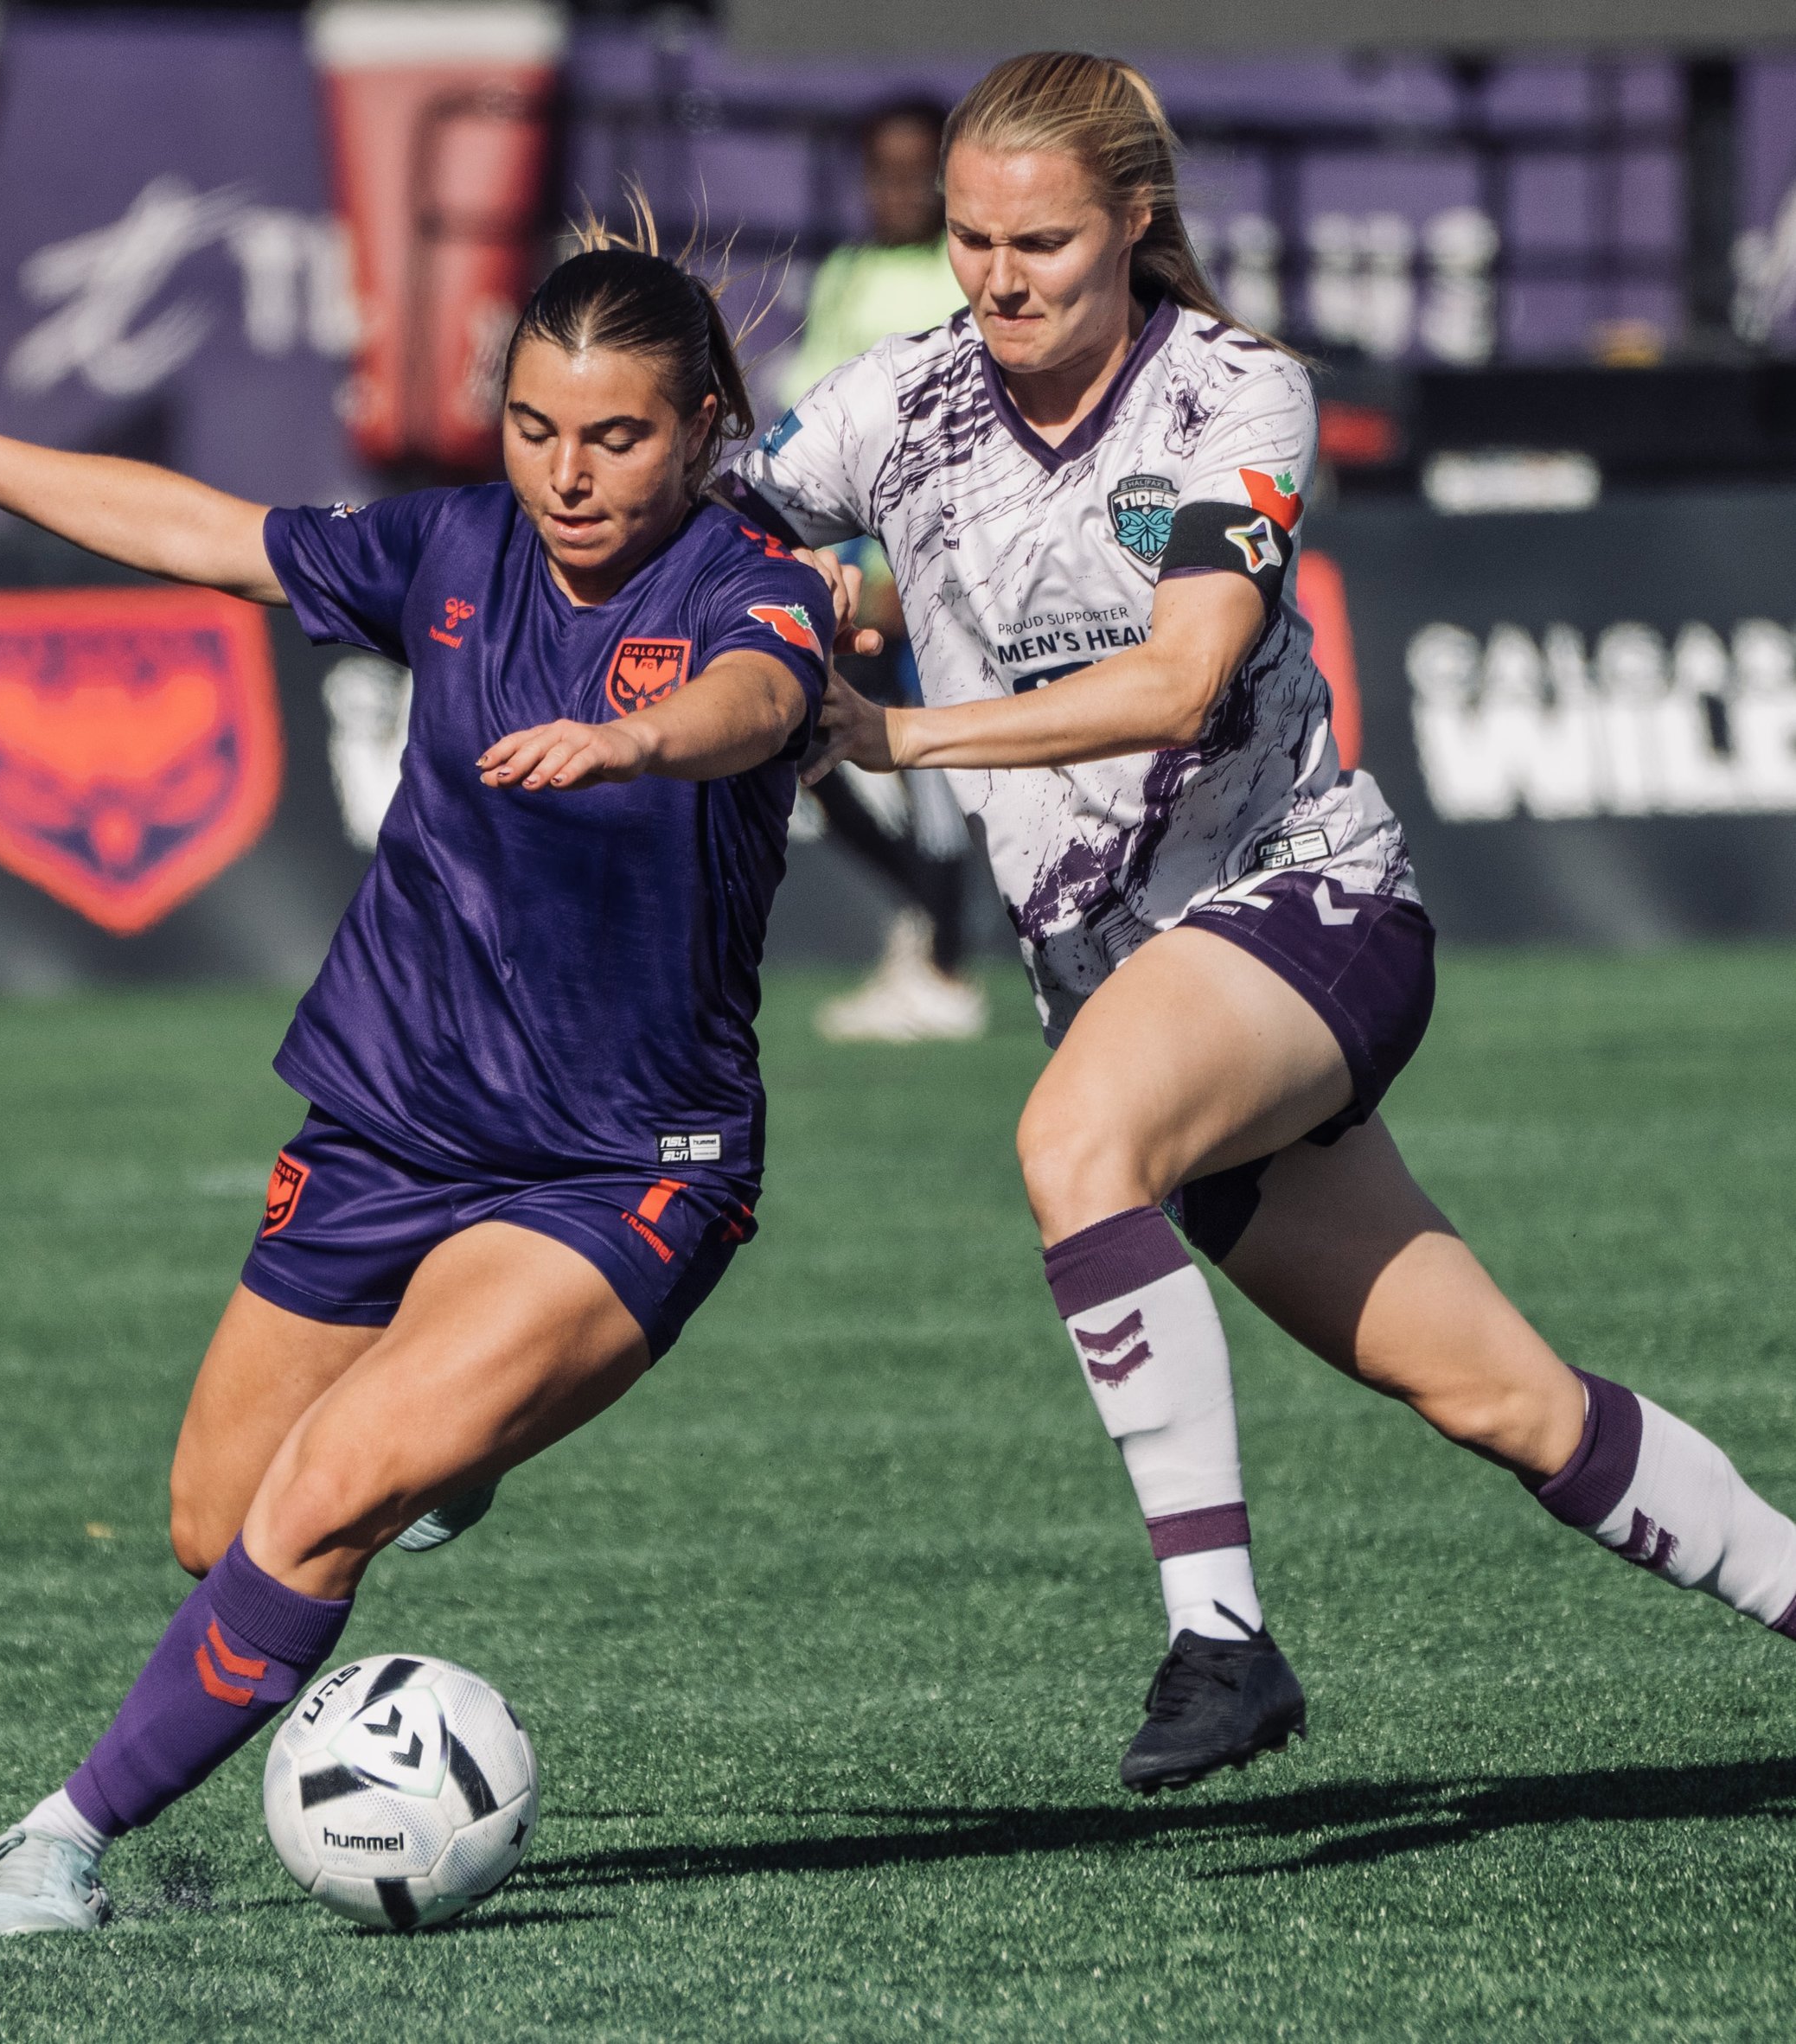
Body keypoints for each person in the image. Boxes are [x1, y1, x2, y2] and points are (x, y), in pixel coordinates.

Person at [727, 50, 1796, 1794]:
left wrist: (896, 728)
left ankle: (1220, 1637)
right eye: (971, 240)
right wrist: (749, 592)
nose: (997, 278)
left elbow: (1181, 678)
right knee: (1511, 1403)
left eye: (1040, 243)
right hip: (1128, 991)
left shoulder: (1238, 391)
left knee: (1073, 1145)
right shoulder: (895, 399)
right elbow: (700, 538)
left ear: (1132, 222)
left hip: (1305, 904)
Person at [0, 227, 834, 1934]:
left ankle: (61, 1835)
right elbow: (208, 535)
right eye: (533, 428)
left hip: (622, 1161)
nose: (566, 474)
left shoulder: (749, 585)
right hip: (389, 1120)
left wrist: (637, 737)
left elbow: (759, 698)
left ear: (701, 426)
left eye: (615, 437)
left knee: (332, 1487)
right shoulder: (452, 546)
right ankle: (449, 1455)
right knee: (222, 1522)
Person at [781, 99, 984, 1044]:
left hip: (929, 567)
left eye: (917, 173)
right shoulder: (844, 275)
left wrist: (915, 567)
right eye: (881, 171)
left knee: (925, 752)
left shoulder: (962, 275)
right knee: (804, 741)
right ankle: (926, 918)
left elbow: (963, 441)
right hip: (844, 564)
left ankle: (942, 965)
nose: (897, 191)